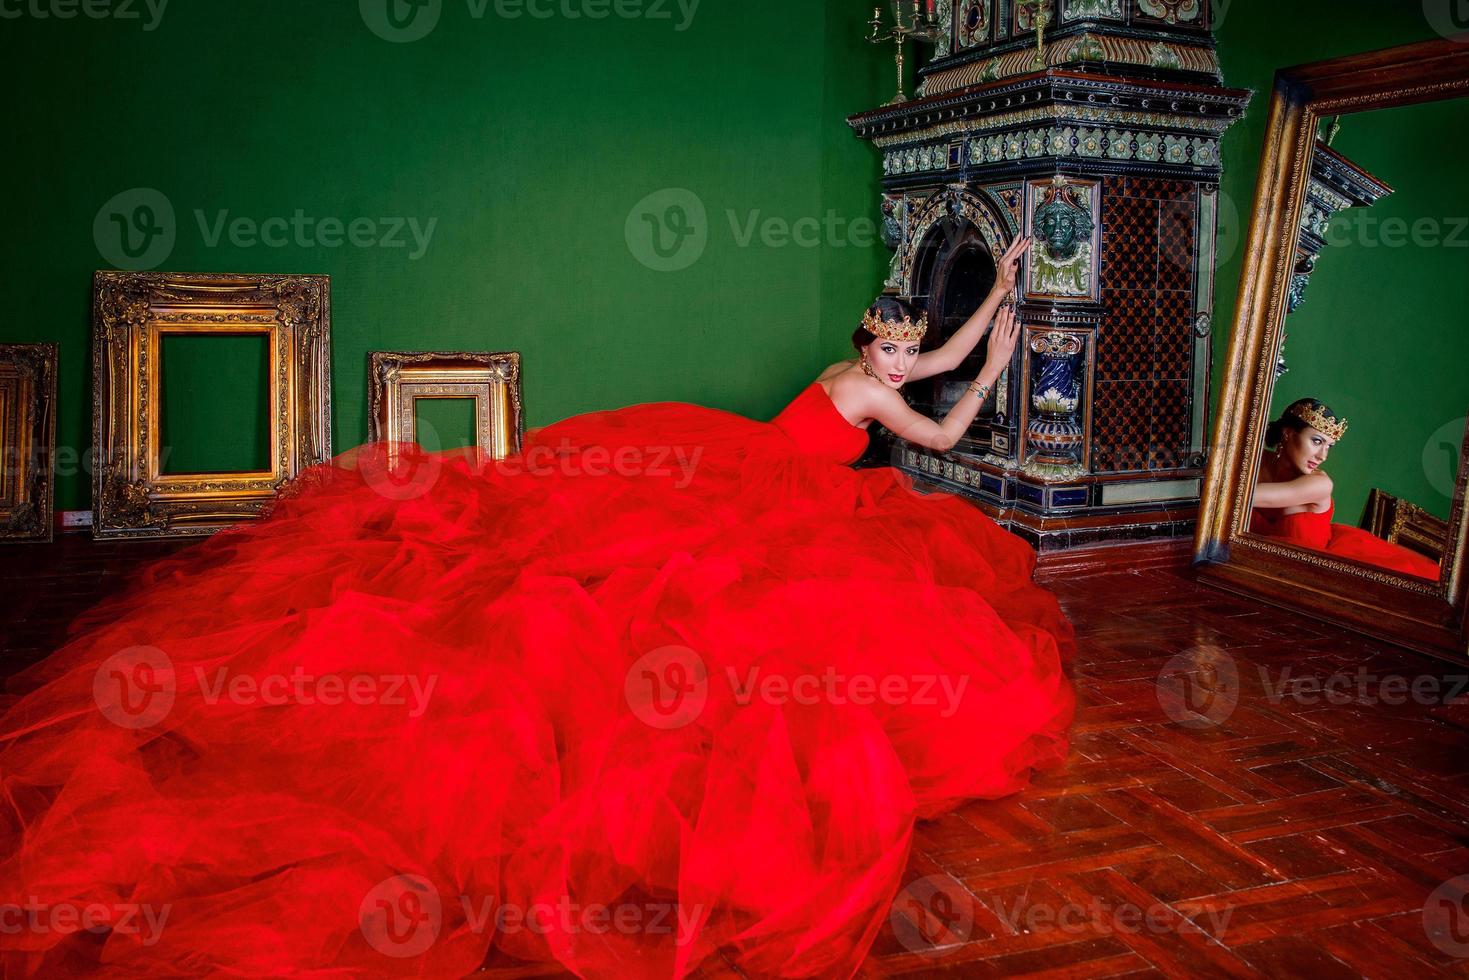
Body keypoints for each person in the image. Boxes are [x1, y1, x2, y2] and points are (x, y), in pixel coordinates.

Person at [0, 239, 1074, 978]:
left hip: (750, 456)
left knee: (637, 567)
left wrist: (1004, 295)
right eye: (886, 346)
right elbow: (933, 428)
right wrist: (1001, 368)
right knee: (688, 596)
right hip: (768, 483)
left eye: (898, 345)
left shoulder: (864, 365)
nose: (894, 358)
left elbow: (933, 350)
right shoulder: (874, 388)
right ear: (867, 346)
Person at [1250, 397, 1440, 581]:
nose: (1322, 456)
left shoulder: (1319, 484)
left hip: (1311, 576)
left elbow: (1246, 494)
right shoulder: (1254, 462)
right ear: (1288, 433)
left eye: (1329, 446)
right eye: (1317, 441)